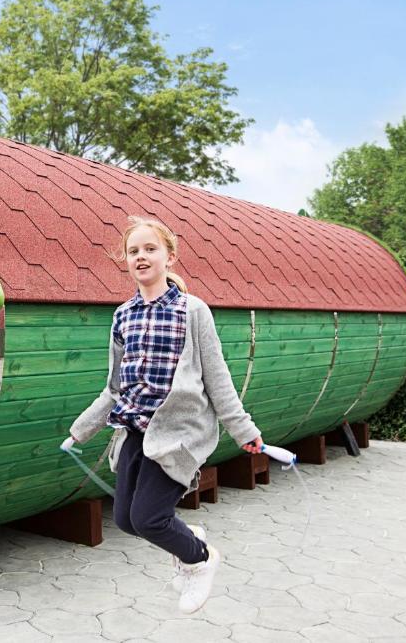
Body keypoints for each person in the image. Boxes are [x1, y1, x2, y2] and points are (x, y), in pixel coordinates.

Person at [62, 217, 264, 614]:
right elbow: (114, 387)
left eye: (150, 249)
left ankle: (200, 559)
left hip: (177, 434)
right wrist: (81, 430)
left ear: (170, 256)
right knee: (125, 519)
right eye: (133, 251)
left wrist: (244, 430)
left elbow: (218, 377)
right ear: (125, 259)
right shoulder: (122, 316)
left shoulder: (193, 311)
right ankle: (187, 536)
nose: (141, 257)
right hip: (135, 432)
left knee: (149, 518)